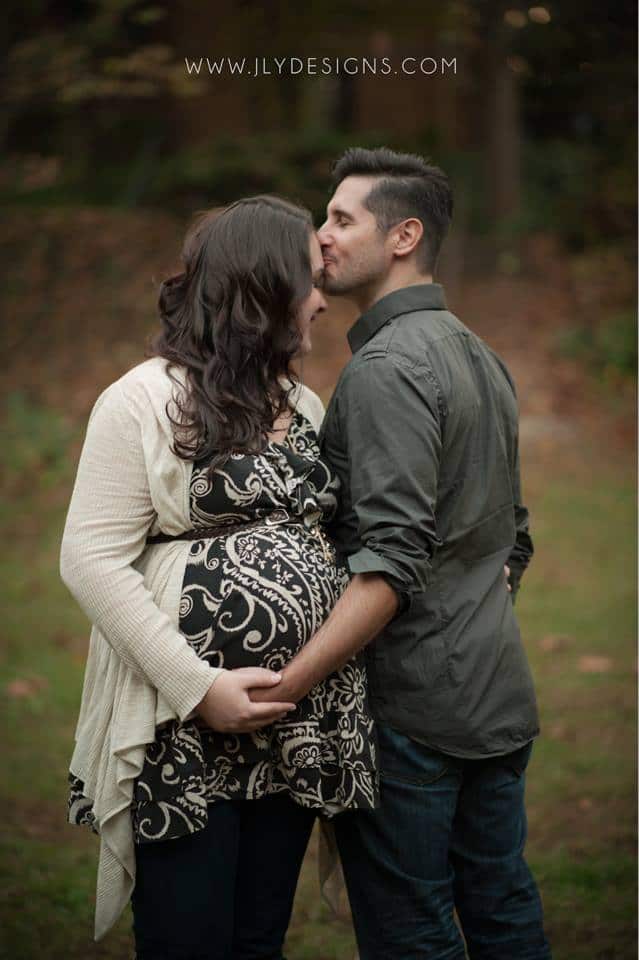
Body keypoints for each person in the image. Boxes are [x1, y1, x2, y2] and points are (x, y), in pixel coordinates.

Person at [252, 148, 552, 959]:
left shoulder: (385, 368)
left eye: (342, 219)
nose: (320, 238)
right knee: (501, 908)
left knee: (411, 932)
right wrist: (470, 614)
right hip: (495, 692)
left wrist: (286, 689)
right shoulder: (475, 352)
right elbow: (510, 534)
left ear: (403, 235)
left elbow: (389, 556)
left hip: (412, 715)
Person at [60, 195, 378, 960]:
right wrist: (198, 687)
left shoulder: (300, 402)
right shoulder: (141, 399)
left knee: (258, 935)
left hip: (291, 722)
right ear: (260, 290)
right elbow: (90, 558)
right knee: (187, 937)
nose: (320, 299)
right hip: (183, 728)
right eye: (306, 279)